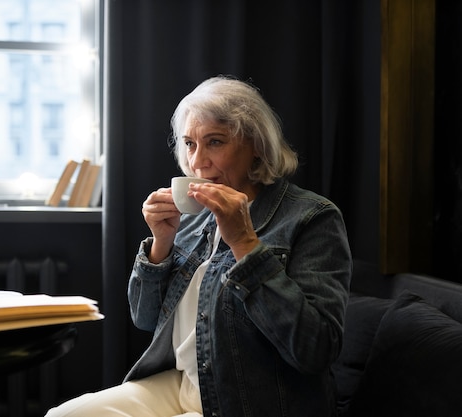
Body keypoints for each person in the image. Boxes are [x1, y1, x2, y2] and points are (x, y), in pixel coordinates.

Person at [45, 76, 352, 417]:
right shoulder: (193, 219)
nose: (198, 161)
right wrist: (161, 243)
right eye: (190, 144)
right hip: (185, 384)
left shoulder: (312, 217)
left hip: (253, 399)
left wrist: (244, 244)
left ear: (257, 146)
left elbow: (315, 349)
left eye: (215, 142)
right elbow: (144, 318)